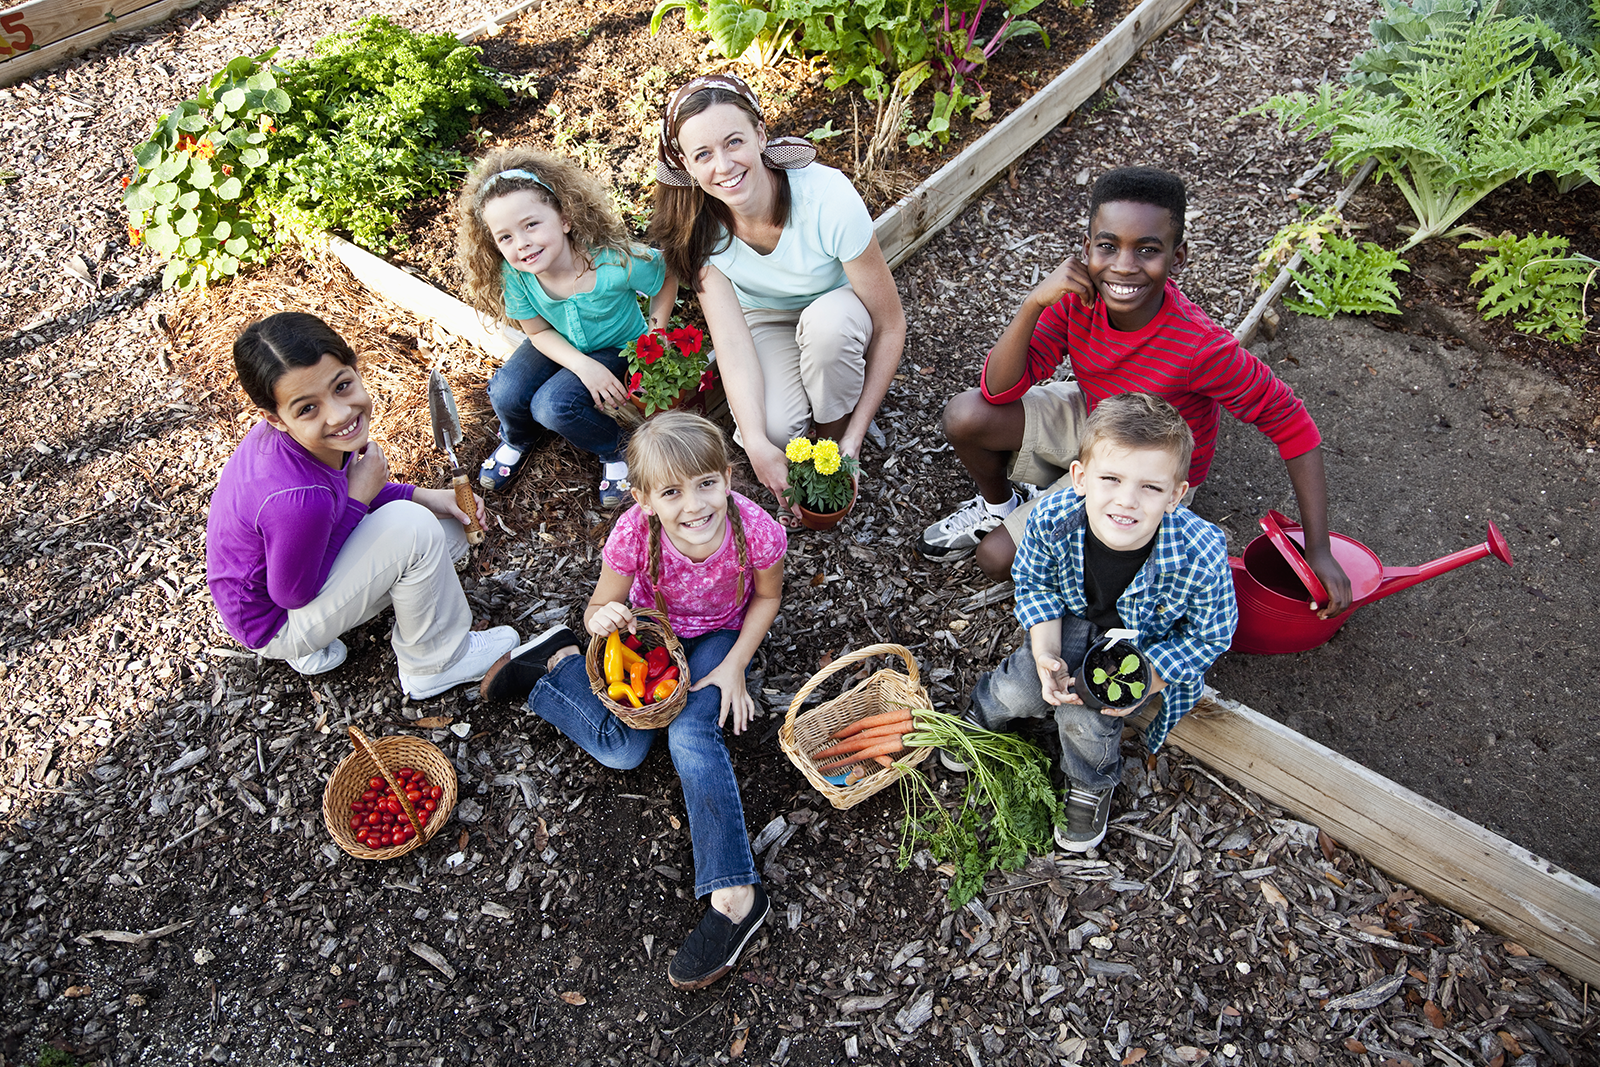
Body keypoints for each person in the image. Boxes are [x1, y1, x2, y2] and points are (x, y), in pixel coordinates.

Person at [918, 166, 1353, 618]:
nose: (1124, 265)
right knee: (966, 415)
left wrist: (1318, 549)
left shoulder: (1200, 348)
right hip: (1096, 416)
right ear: (1086, 249)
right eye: (1107, 246)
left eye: (1147, 250)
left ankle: (1104, 552)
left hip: (1148, 462)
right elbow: (997, 390)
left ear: (1177, 257)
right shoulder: (1076, 300)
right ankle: (1001, 506)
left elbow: (1291, 423)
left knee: (996, 559)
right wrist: (1033, 304)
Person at [478, 411, 786, 990]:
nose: (694, 505)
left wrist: (734, 667)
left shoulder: (756, 530)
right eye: (671, 492)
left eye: (706, 483)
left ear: (727, 477)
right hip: (648, 636)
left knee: (690, 732)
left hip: (719, 637)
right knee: (623, 751)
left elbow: (767, 598)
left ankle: (736, 896)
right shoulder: (633, 535)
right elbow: (599, 608)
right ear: (644, 499)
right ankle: (556, 667)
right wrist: (601, 620)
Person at [962, 393, 1238, 852]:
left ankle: (1090, 782)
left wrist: (1146, 681)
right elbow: (1036, 585)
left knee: (1086, 717)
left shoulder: (1201, 552)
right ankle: (983, 712)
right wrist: (1047, 651)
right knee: (1021, 686)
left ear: (1175, 495)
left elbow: (1211, 635)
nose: (1126, 501)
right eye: (1111, 478)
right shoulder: (1051, 518)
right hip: (1069, 619)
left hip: (1143, 644)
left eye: (1151, 488)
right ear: (1080, 477)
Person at [205, 312, 520, 698]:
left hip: (279, 577)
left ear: (355, 368)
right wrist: (359, 500)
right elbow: (293, 594)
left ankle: (335, 632)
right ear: (276, 418)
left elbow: (342, 495)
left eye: (341, 386)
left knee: (448, 529)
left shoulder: (301, 442)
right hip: (275, 622)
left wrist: (426, 497)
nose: (338, 414)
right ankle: (436, 664)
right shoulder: (298, 501)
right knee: (416, 530)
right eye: (308, 408)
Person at [650, 73, 905, 511]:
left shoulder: (826, 198)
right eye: (703, 154)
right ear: (687, 166)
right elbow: (731, 343)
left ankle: (832, 436)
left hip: (839, 310)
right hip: (767, 318)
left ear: (760, 135)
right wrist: (754, 443)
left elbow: (890, 324)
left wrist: (853, 436)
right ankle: (813, 409)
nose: (723, 166)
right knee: (774, 432)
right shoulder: (696, 227)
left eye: (734, 142)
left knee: (827, 333)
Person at [456, 147, 678, 507]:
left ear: (565, 218)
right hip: (557, 341)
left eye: (531, 224)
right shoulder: (515, 275)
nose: (522, 243)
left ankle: (617, 448)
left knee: (554, 406)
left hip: (616, 346)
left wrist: (656, 332)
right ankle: (517, 437)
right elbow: (537, 332)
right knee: (505, 391)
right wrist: (581, 366)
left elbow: (666, 275)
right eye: (505, 237)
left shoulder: (611, 261)